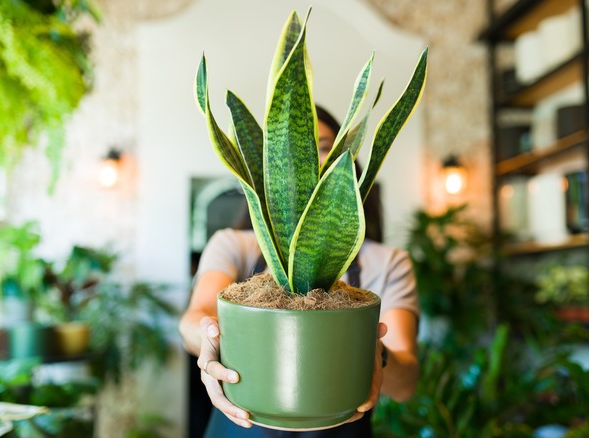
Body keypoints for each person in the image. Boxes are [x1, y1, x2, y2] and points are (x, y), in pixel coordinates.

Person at [179, 105, 420, 437]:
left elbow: (406, 384)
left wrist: (375, 354)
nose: (309, 164)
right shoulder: (234, 245)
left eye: (324, 148)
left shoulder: (388, 262)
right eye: (291, 157)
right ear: (269, 171)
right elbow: (195, 317)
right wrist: (209, 342)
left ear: (347, 164)